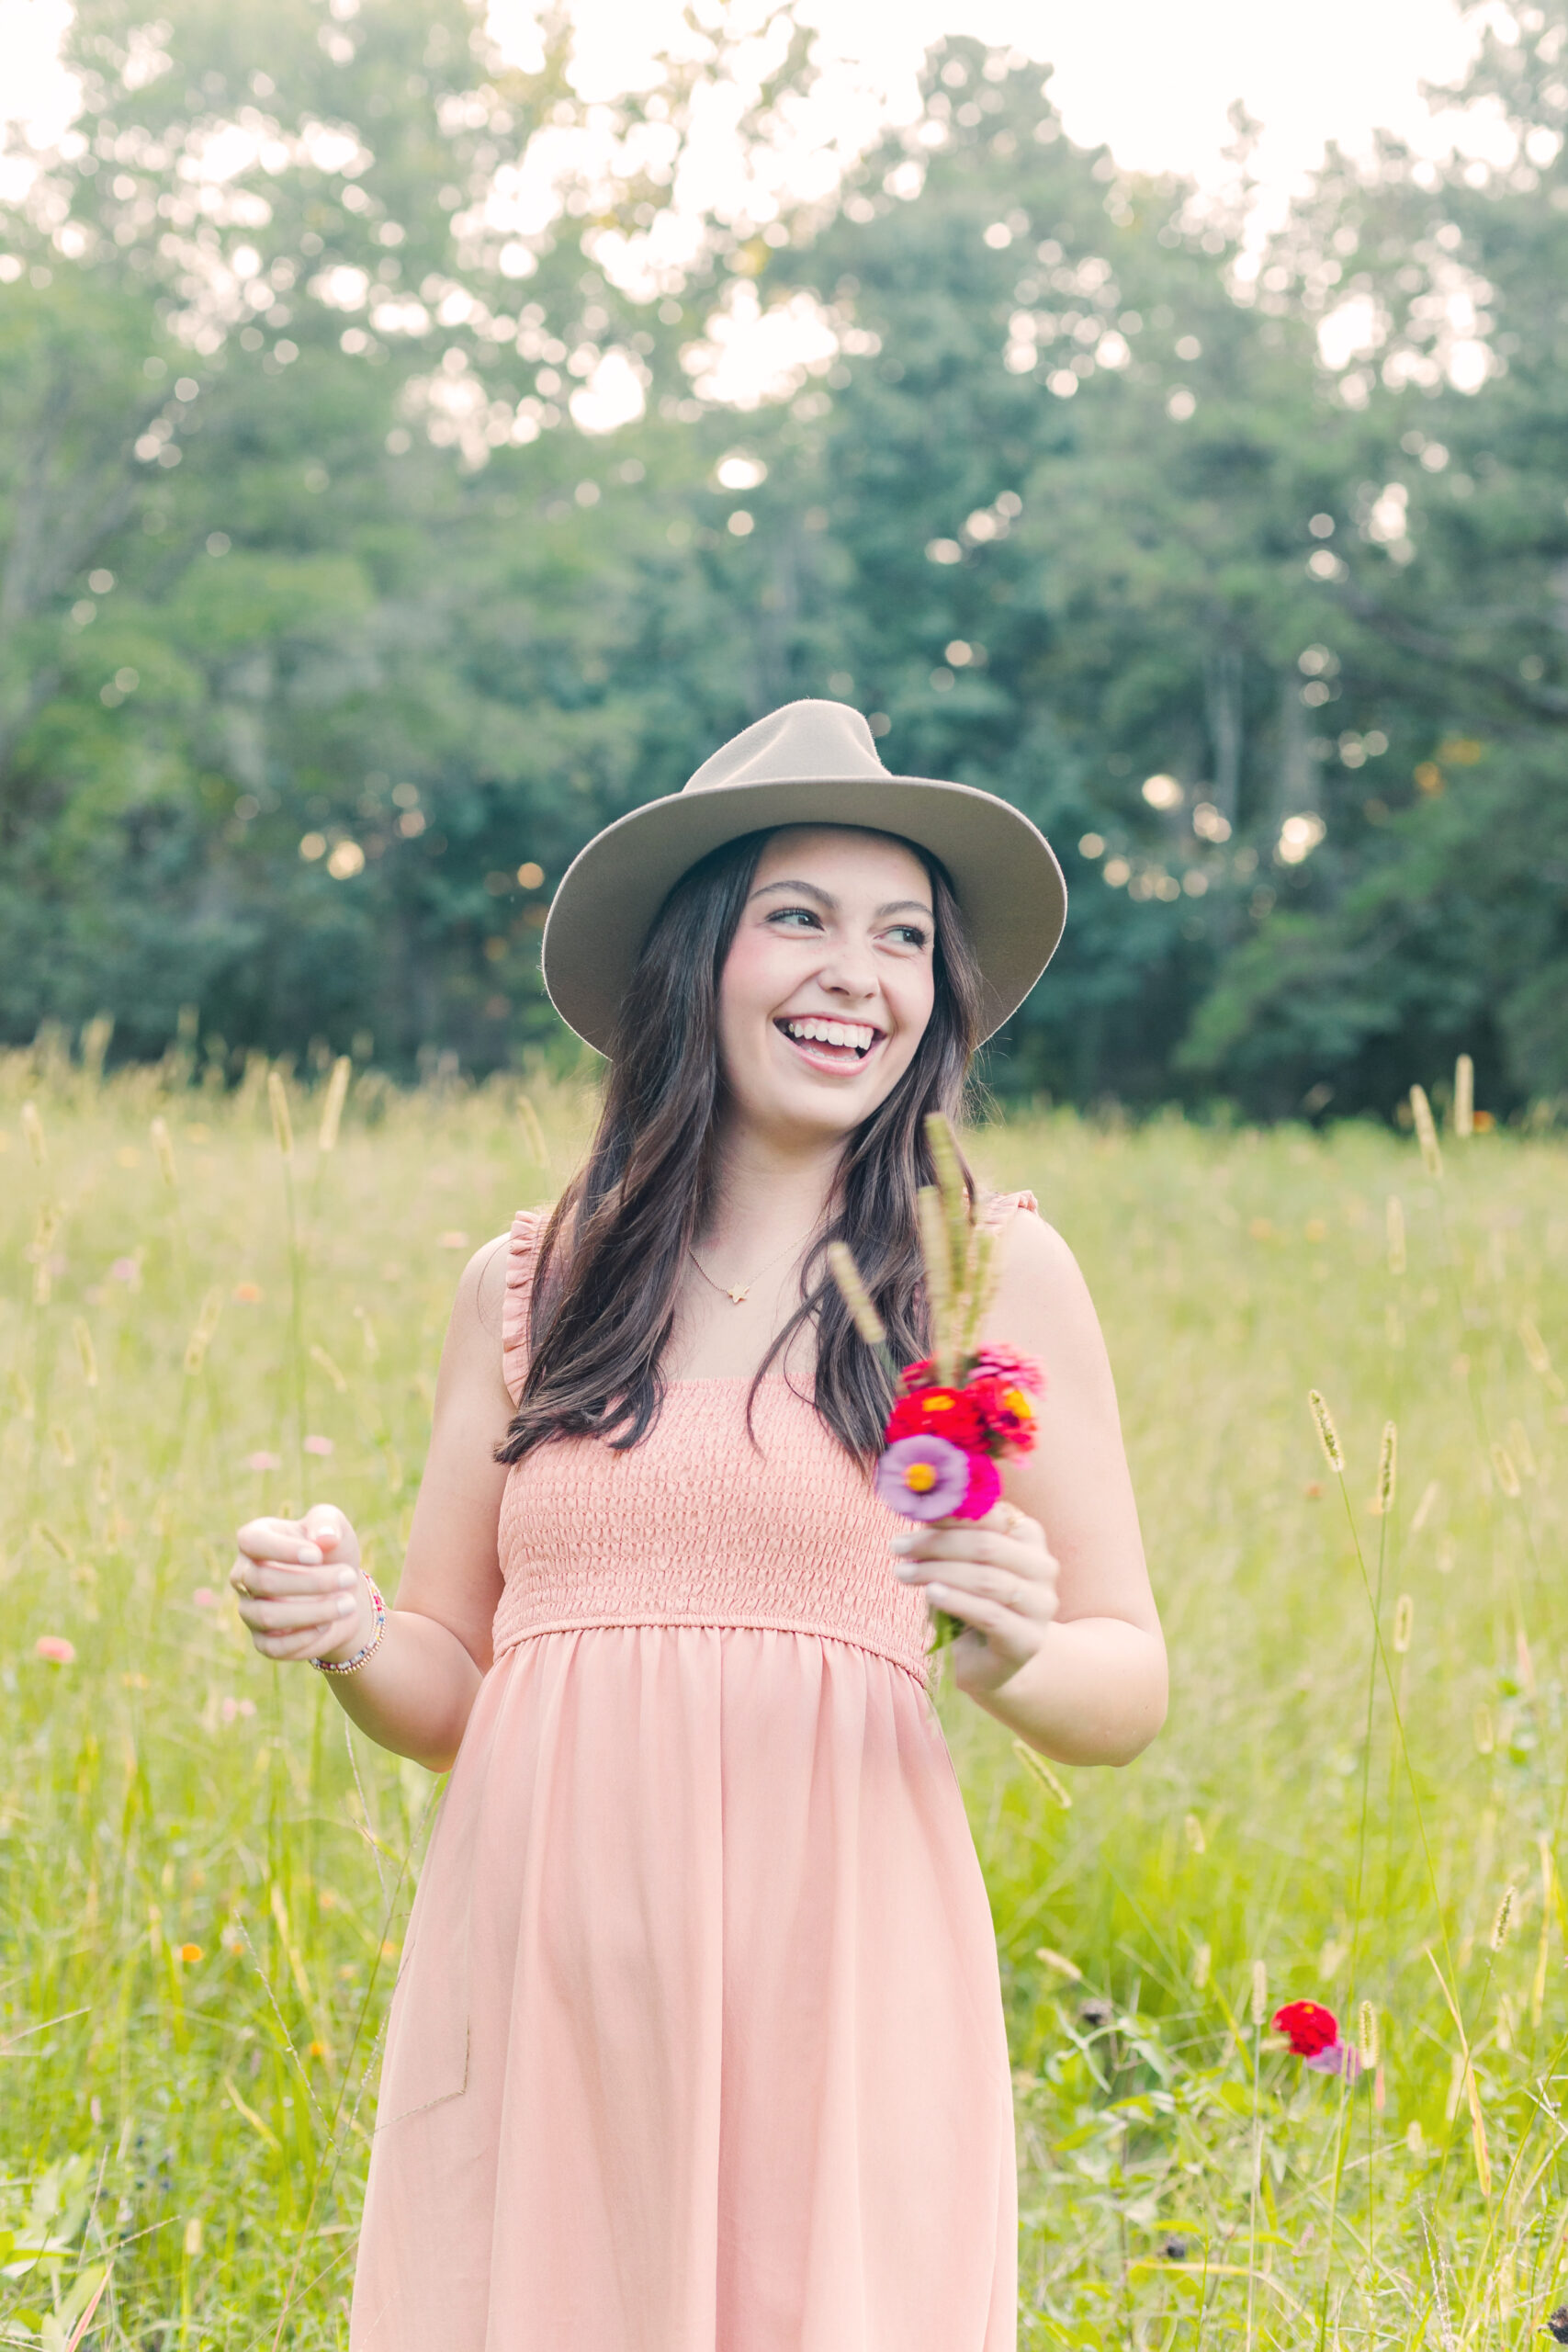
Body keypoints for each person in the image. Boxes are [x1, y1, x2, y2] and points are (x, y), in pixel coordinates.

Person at [230, 700, 1166, 2351]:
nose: (855, 975)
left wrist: (1015, 1652)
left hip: (840, 1981)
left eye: (904, 938)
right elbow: (457, 1684)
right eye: (795, 917)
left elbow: (1127, 1681)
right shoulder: (531, 1282)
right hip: (552, 1992)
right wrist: (351, 1630)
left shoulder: (982, 1272)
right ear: (693, 960)